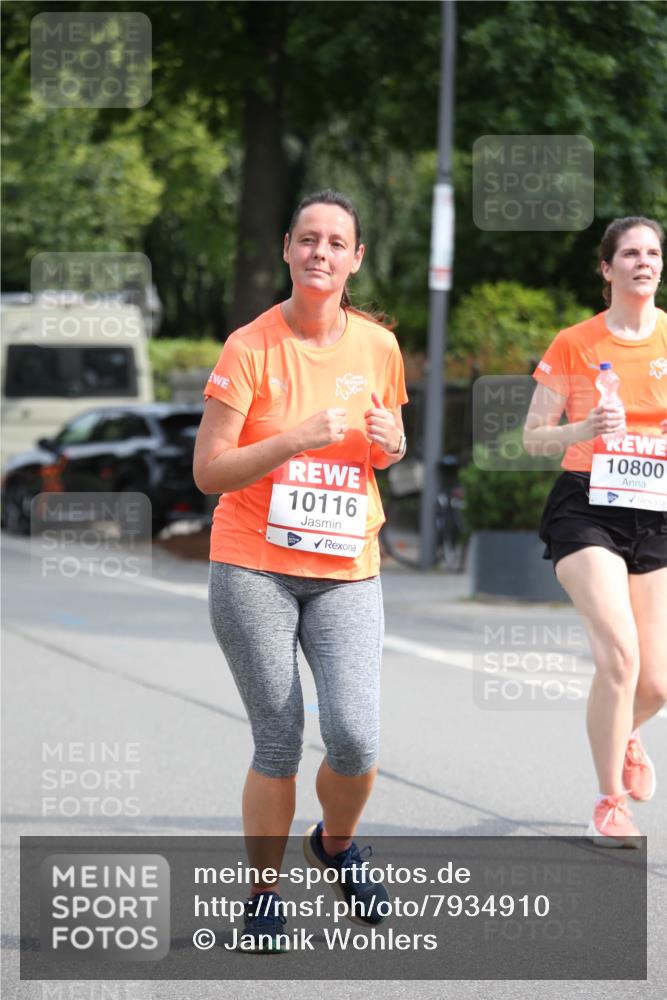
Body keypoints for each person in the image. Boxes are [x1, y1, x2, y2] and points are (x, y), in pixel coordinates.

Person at [193, 190, 408, 948]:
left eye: (335, 242)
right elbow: (208, 472)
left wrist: (392, 443)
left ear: (355, 259)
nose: (320, 252)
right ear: (287, 248)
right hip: (254, 566)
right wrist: (292, 439)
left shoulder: (378, 347)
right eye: (308, 239)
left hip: (347, 566)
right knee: (279, 739)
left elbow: (386, 447)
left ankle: (336, 846)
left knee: (355, 737)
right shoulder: (249, 347)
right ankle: (263, 896)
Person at [524, 216, 667, 847]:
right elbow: (533, 438)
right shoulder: (575, 343)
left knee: (656, 682)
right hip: (586, 508)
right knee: (620, 657)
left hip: (655, 508)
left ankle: (625, 732)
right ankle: (609, 802)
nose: (644, 262)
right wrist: (584, 429)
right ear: (607, 269)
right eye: (630, 253)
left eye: (653, 252)